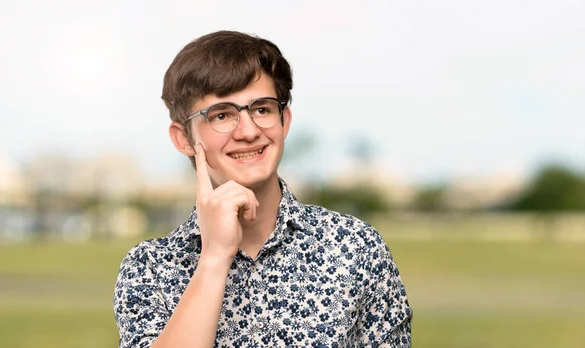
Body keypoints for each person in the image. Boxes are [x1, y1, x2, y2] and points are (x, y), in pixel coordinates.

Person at [113, 30, 412, 347]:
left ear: (284, 120)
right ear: (183, 138)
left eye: (262, 109)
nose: (248, 131)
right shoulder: (149, 269)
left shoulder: (356, 248)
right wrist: (214, 259)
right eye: (222, 115)